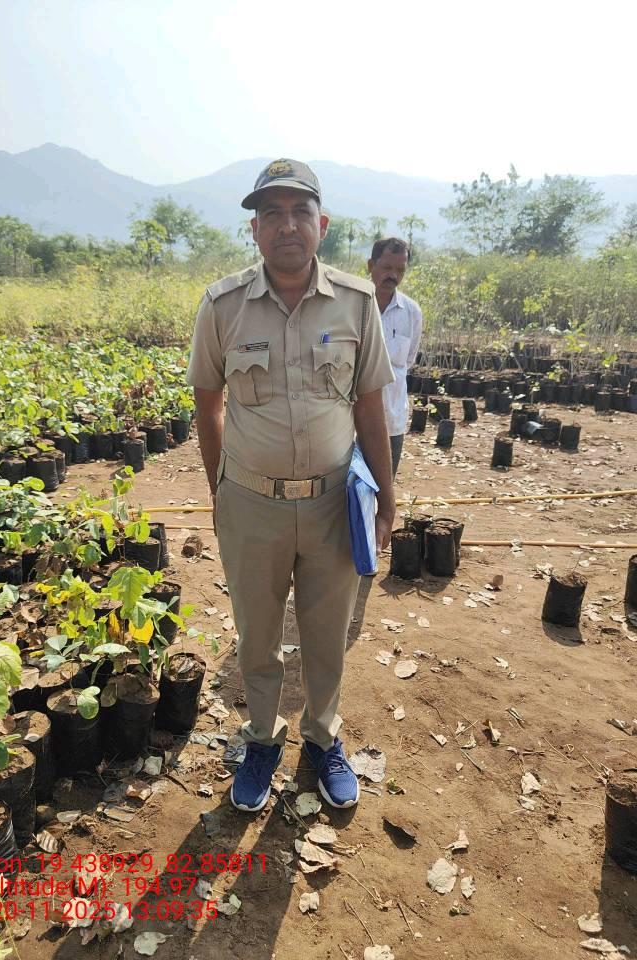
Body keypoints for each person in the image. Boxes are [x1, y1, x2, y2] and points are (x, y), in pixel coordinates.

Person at [186, 159, 394, 813]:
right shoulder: (222, 306)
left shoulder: (357, 303)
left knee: (327, 633)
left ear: (321, 225)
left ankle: (322, 738)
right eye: (271, 213)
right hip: (251, 503)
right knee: (257, 634)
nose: (286, 225)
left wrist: (388, 500)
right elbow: (208, 403)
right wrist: (221, 491)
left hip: (334, 503)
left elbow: (369, 409)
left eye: (299, 212)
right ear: (254, 229)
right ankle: (262, 739)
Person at [367, 237, 423, 478]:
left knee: (384, 486)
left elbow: (408, 361)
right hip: (351, 423)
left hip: (392, 419)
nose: (393, 275)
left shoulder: (411, 312)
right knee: (348, 492)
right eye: (387, 267)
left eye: (400, 270)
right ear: (371, 265)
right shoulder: (353, 305)